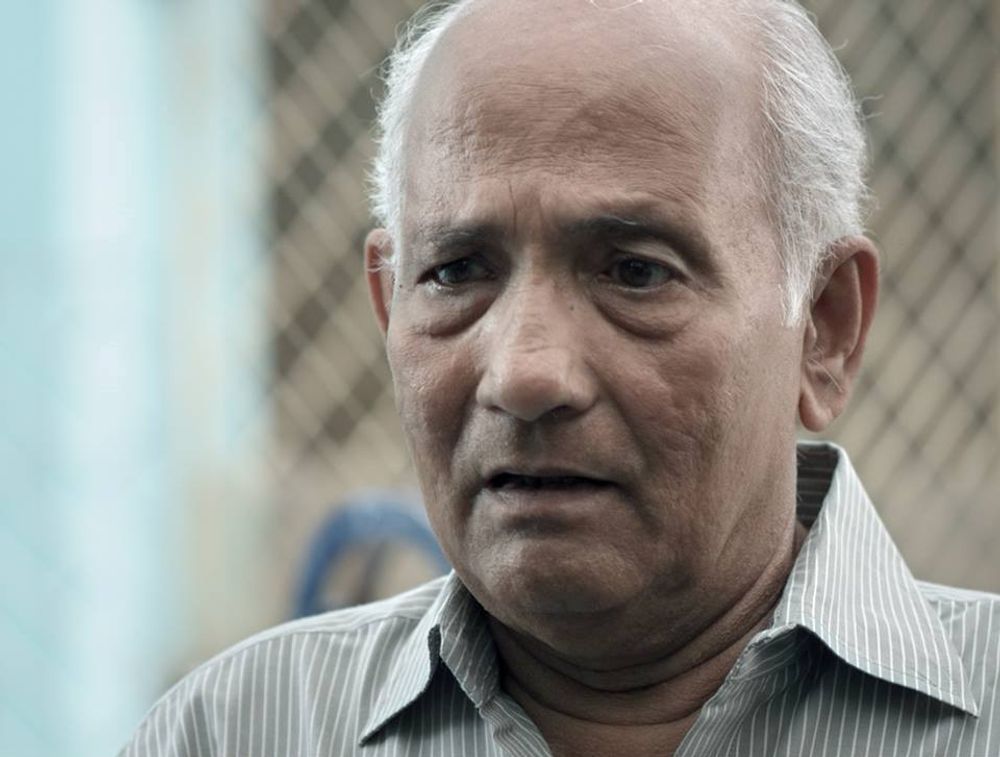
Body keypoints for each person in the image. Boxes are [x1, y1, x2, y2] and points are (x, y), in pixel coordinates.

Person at [120, 0, 1000, 754]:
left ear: (825, 329)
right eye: (457, 272)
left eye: (636, 272)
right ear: (390, 308)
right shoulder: (235, 730)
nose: (524, 372)